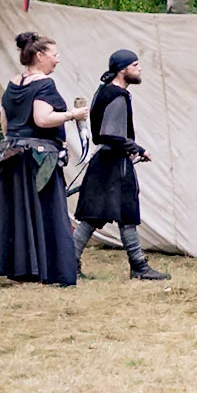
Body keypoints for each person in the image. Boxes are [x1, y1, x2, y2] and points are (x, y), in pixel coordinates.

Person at [0, 32, 88, 286]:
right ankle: (49, 270)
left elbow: (4, 118)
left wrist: (14, 139)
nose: (58, 60)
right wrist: (72, 114)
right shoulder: (43, 84)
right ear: (40, 55)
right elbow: (42, 118)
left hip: (12, 156)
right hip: (37, 161)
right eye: (54, 55)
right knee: (47, 212)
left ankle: (24, 270)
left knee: (20, 213)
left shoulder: (13, 83)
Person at [71, 48, 169, 282]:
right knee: (124, 214)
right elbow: (110, 134)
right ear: (122, 70)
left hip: (105, 162)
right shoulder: (117, 95)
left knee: (94, 217)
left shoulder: (105, 90)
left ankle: (69, 262)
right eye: (135, 65)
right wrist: (138, 149)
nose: (139, 69)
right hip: (113, 164)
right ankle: (138, 267)